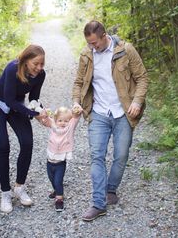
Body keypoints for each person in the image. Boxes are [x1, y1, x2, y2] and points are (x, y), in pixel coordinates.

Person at [72, 20, 148, 221]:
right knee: (97, 156)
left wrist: (137, 102)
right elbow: (79, 82)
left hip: (123, 112)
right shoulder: (87, 55)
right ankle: (98, 203)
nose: (93, 47)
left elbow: (142, 78)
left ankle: (111, 189)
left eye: (95, 43)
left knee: (121, 155)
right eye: (89, 43)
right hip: (98, 112)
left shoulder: (126, 50)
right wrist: (76, 101)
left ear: (105, 35)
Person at [0, 44, 48, 213]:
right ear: (26, 60)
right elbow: (9, 99)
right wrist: (32, 114)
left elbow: (34, 98)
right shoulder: (13, 68)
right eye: (36, 63)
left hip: (16, 107)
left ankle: (19, 188)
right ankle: (5, 193)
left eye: (42, 64)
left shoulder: (40, 75)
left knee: (27, 143)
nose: (39, 68)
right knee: (3, 146)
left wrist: (40, 112)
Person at [41, 105, 83, 212]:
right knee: (51, 179)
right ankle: (56, 190)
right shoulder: (53, 125)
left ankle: (59, 199)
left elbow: (76, 118)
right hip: (50, 160)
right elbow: (45, 121)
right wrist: (45, 114)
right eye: (60, 120)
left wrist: (77, 111)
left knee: (58, 180)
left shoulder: (69, 128)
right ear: (55, 120)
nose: (63, 123)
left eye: (66, 121)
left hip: (60, 162)